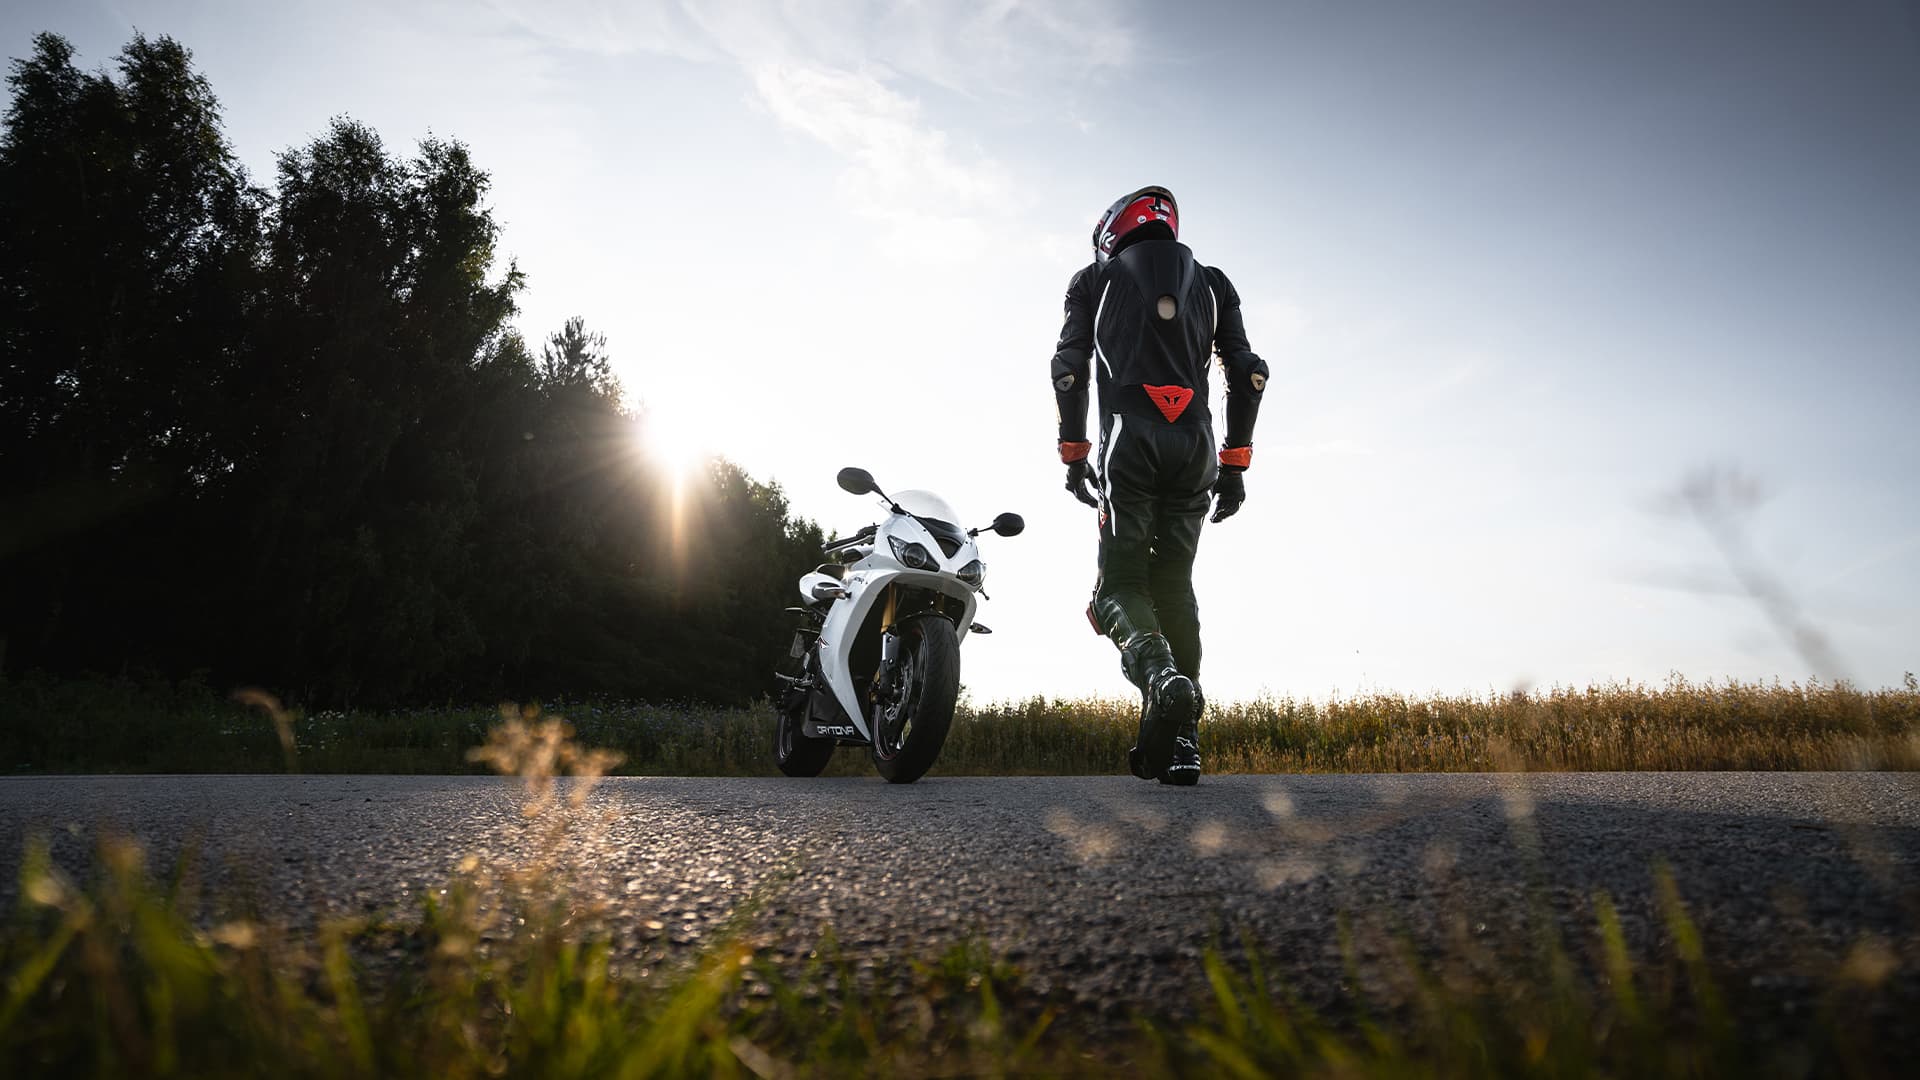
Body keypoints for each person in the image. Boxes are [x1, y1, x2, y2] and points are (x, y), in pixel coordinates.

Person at [1049, 186, 1268, 785]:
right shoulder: (1215, 282)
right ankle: (1183, 743)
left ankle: (1160, 679)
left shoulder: (1091, 280)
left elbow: (1069, 369)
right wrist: (1236, 464)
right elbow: (1248, 373)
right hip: (1196, 443)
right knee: (1175, 582)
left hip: (1129, 436)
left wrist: (1073, 454)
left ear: (1112, 230)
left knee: (1116, 585)